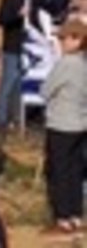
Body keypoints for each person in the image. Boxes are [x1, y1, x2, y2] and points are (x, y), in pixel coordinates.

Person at [41, 20, 87, 238]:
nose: (60, 42)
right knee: (75, 171)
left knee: (58, 171)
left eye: (64, 38)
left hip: (61, 124)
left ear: (77, 39)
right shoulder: (84, 63)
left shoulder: (66, 63)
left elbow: (46, 89)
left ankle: (63, 218)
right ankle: (76, 216)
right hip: (80, 123)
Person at [0, 0, 39, 134]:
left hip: (29, 49)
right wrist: (17, 15)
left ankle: (16, 119)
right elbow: (0, 19)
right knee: (7, 84)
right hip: (12, 47)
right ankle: (0, 121)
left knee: (20, 86)